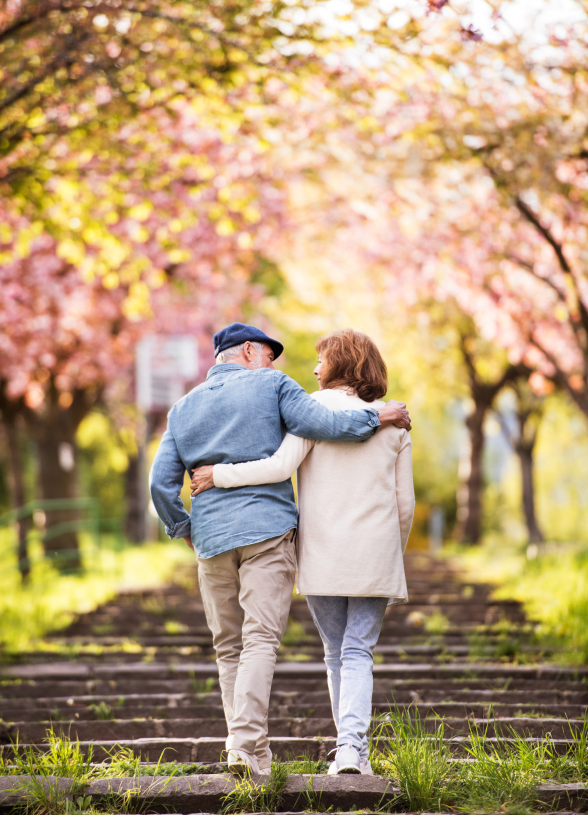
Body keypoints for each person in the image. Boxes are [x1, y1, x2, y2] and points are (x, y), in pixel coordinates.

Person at [149, 322, 411, 776]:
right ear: (249, 350)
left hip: (215, 539)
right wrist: (380, 416)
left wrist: (184, 527)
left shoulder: (182, 408)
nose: (280, 364)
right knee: (270, 642)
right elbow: (332, 433)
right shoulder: (275, 386)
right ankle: (265, 748)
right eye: (271, 354)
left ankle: (247, 750)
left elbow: (161, 484)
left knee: (231, 647)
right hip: (272, 534)